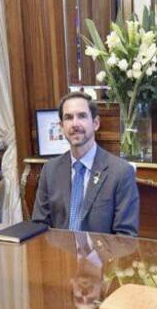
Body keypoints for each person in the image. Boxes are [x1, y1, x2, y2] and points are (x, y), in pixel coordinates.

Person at [32, 91, 140, 236]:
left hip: (103, 257)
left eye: (82, 116)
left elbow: (126, 236)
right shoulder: (50, 170)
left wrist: (93, 258)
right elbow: (39, 227)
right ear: (61, 126)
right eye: (68, 118)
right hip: (58, 256)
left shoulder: (120, 172)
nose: (75, 124)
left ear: (95, 123)